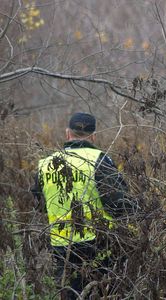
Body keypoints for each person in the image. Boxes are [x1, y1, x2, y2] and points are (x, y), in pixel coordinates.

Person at [32, 112, 135, 299]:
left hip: (61, 246)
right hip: (99, 244)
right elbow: (119, 204)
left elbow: (39, 205)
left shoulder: (45, 164)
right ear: (93, 136)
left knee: (72, 293)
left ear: (67, 133)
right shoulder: (99, 160)